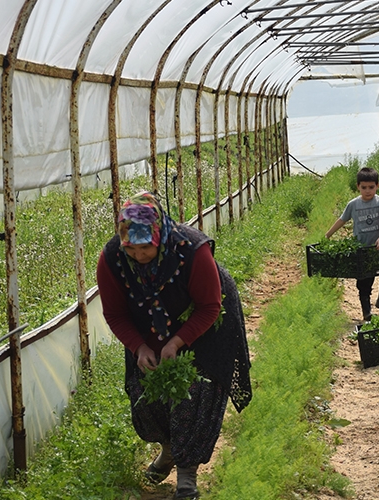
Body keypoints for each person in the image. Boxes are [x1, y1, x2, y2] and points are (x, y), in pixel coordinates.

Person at [96, 191, 252, 500]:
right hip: (148, 327)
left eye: (146, 247)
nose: (139, 255)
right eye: (131, 249)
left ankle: (186, 475)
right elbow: (115, 313)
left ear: (159, 235)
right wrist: (139, 347)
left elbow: (210, 306)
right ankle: (168, 450)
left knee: (195, 391)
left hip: (204, 324)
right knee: (147, 393)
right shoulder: (112, 258)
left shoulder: (191, 250)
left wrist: (177, 342)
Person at [325, 167, 379, 322]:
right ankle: (366, 312)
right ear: (358, 186)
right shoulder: (353, 205)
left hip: (378, 249)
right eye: (364, 187)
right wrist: (328, 235)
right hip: (361, 251)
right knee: (364, 282)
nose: (367, 191)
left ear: (377, 186)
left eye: (371, 187)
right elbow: (342, 220)